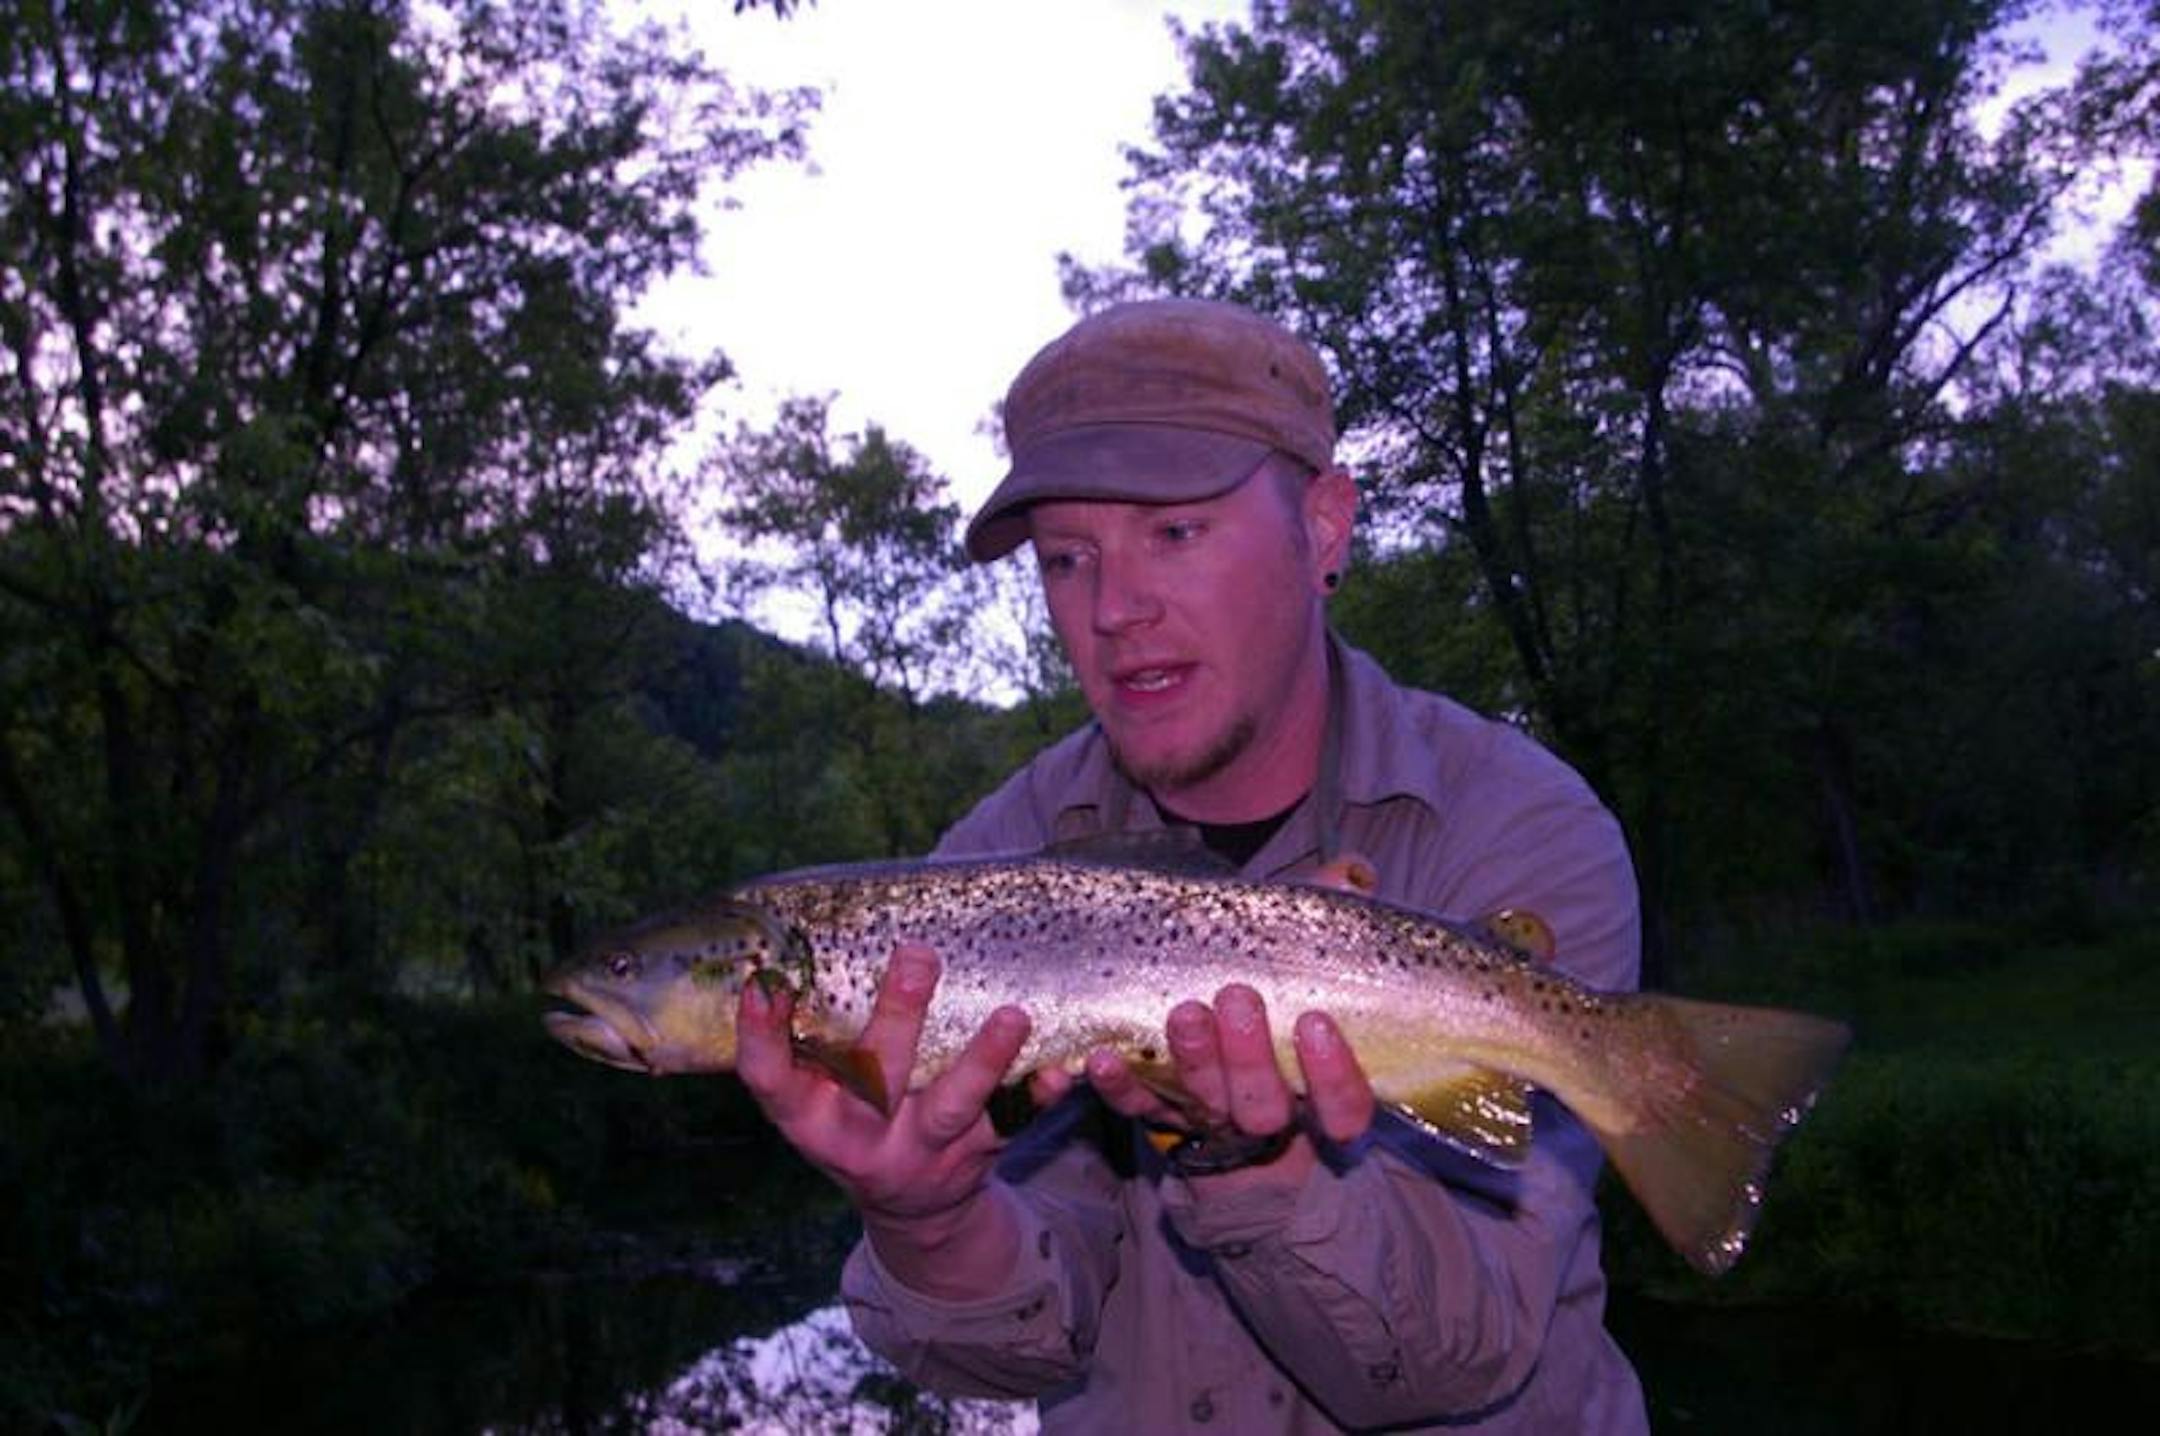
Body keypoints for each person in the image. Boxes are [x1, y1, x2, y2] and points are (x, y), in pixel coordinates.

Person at [734, 297, 1650, 1432]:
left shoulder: (1519, 826)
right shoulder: (986, 879)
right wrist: (921, 1213)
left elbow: (1461, 1358)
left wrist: (1258, 1167)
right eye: (1068, 559)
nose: (1115, 609)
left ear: (1323, 528)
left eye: (1174, 531)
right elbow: (1018, 1338)